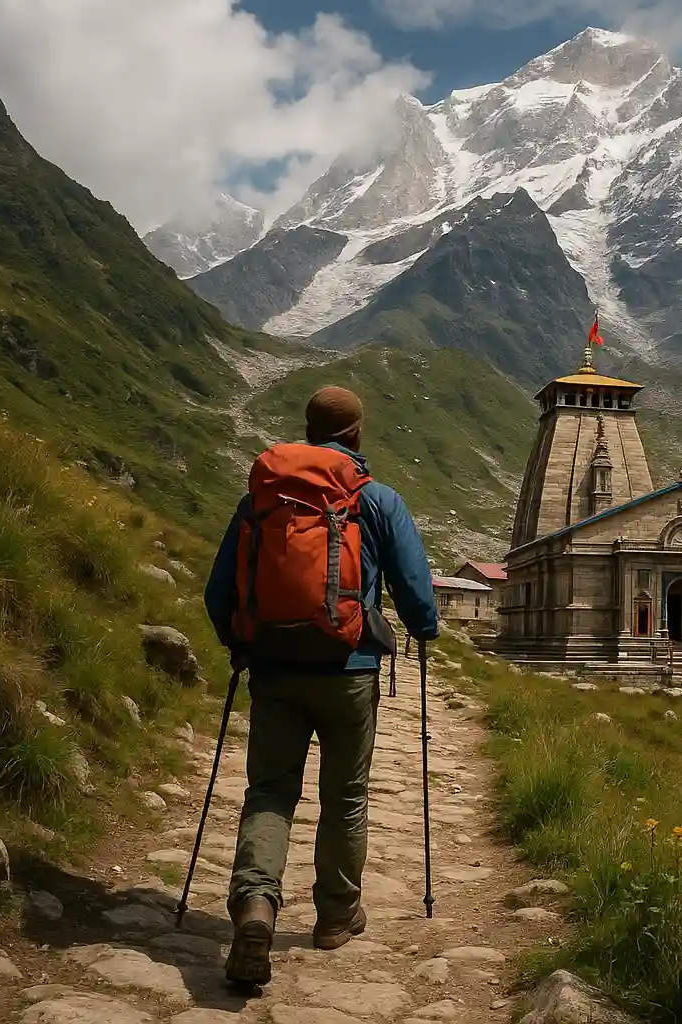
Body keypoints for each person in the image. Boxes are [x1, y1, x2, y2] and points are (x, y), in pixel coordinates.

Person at [204, 385, 440, 987]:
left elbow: (219, 591)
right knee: (346, 796)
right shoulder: (376, 500)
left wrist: (241, 645)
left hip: (276, 670)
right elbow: (414, 587)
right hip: (350, 671)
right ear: (357, 435)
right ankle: (336, 915)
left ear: (307, 431)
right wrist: (425, 630)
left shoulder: (262, 498)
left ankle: (255, 904)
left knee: (270, 792)